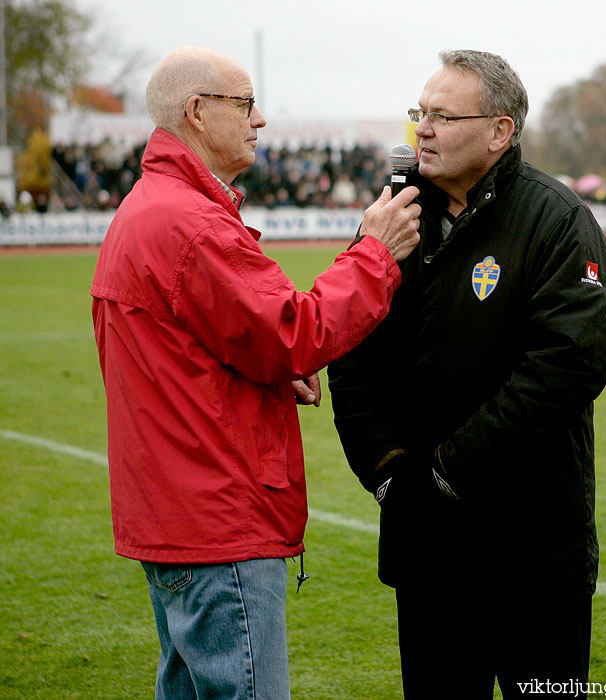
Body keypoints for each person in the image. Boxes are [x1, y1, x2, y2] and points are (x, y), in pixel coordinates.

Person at [90, 46, 420, 700]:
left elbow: (196, 352)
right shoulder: (189, 222)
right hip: (216, 518)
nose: (260, 119)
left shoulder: (155, 207)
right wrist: (375, 252)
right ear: (197, 111)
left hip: (179, 513)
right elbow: (296, 333)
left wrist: (269, 374)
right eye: (244, 104)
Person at [328, 50, 606, 699]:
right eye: (418, 115)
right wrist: (386, 470)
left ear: (498, 132)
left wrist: (448, 469)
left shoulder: (556, 220)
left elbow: (568, 364)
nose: (421, 131)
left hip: (536, 555)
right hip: (427, 552)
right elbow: (349, 352)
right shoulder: (391, 219)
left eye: (441, 116)